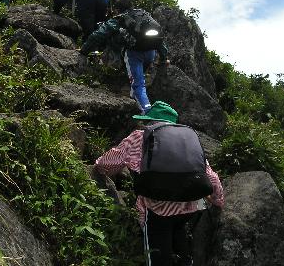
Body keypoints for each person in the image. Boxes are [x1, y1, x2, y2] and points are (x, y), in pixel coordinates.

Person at [94, 101, 225, 266]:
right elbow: (210, 176)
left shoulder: (139, 137)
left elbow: (108, 162)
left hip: (157, 210)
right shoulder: (187, 141)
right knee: (179, 237)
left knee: (158, 256)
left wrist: (99, 167)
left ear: (152, 120)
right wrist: (218, 200)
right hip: (190, 207)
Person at [80, 0, 169, 115]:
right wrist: (164, 57)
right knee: (139, 78)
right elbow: (159, 38)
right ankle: (136, 97)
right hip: (151, 52)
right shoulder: (143, 14)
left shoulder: (120, 18)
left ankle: (147, 112)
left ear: (117, 9)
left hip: (134, 54)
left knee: (138, 85)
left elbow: (99, 34)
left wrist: (83, 51)